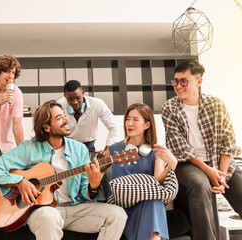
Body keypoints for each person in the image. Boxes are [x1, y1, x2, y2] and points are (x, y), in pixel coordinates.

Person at [0, 100, 127, 240]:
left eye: (64, 115)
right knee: (48, 217)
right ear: (46, 127)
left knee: (117, 215)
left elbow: (85, 191)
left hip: (74, 208)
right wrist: (20, 182)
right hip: (44, 211)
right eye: (59, 117)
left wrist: (94, 186)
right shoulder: (29, 148)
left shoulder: (80, 150)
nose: (66, 119)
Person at [161, 60, 242, 240]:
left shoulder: (216, 104)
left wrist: (220, 174)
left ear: (199, 82)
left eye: (184, 81)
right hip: (188, 163)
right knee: (199, 185)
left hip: (220, 162)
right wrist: (208, 171)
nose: (178, 86)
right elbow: (179, 147)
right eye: (175, 81)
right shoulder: (169, 108)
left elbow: (228, 141)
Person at [107, 103, 177, 240]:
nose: (129, 123)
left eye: (135, 119)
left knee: (154, 201)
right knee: (154, 202)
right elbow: (97, 174)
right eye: (128, 119)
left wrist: (173, 164)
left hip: (144, 204)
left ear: (147, 125)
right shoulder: (113, 149)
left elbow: (158, 181)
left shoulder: (155, 152)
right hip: (120, 204)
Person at [57, 80, 120, 158]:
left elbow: (114, 127)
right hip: (66, 145)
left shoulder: (97, 104)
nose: (75, 102)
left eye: (78, 98)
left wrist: (108, 148)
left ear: (83, 93)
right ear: (65, 96)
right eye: (70, 99)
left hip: (88, 147)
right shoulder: (58, 105)